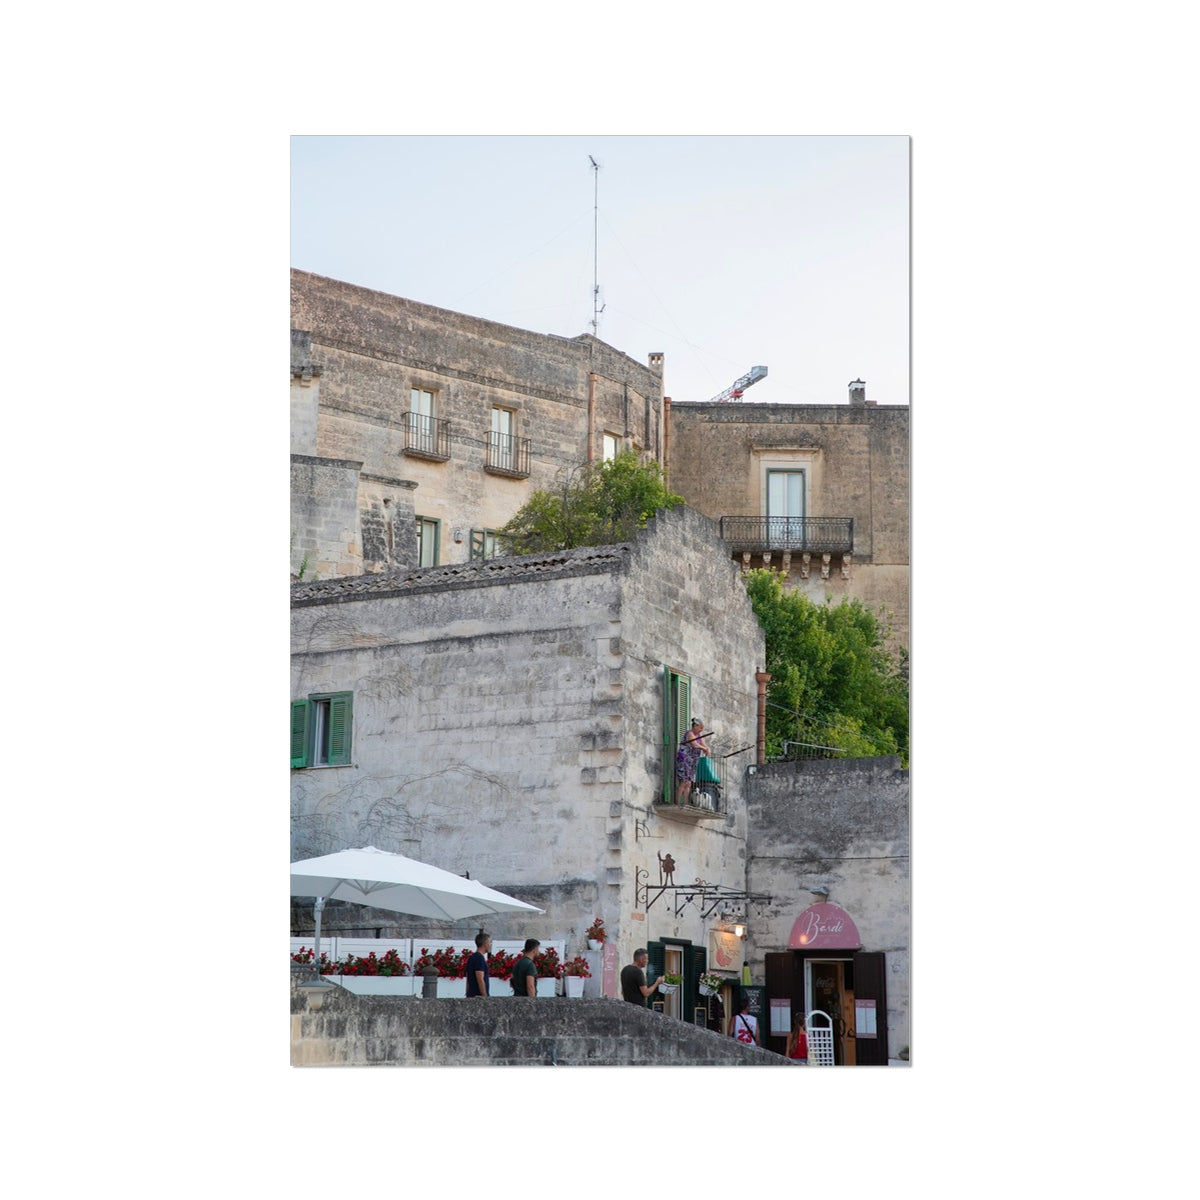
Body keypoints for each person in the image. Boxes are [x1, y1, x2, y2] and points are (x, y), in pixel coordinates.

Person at [675, 717, 711, 804]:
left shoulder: (699, 736)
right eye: (700, 727)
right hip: (685, 760)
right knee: (683, 782)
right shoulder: (689, 733)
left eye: (702, 728)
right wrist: (704, 749)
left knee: (689, 783)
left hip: (693, 762)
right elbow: (695, 745)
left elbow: (704, 744)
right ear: (695, 726)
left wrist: (708, 749)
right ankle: (678, 802)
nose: (701, 730)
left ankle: (686, 803)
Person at [466, 929, 491, 997]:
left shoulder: (472, 957)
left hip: (471, 995)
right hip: (478, 997)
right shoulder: (479, 958)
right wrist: (484, 996)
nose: (490, 945)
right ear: (485, 943)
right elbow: (480, 979)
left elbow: (468, 978)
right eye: (489, 943)